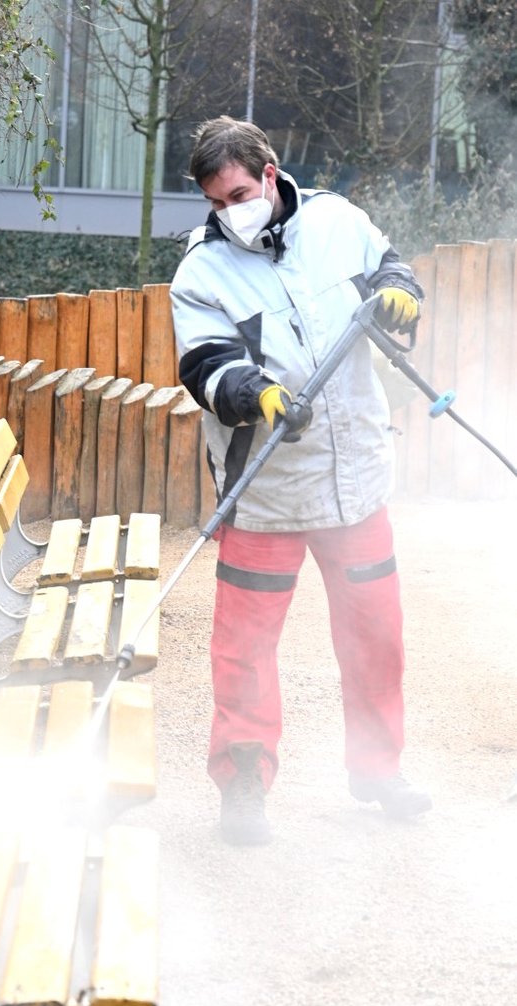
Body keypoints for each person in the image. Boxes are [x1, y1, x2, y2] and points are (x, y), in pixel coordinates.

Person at [170, 115, 431, 846]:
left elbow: (391, 267)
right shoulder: (201, 272)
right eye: (217, 202)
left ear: (273, 174)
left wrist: (400, 293)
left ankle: (378, 770)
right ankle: (244, 784)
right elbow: (205, 364)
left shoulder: (339, 222)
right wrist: (255, 392)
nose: (232, 212)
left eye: (242, 193)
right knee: (244, 650)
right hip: (267, 489)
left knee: (376, 635)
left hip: (355, 478)